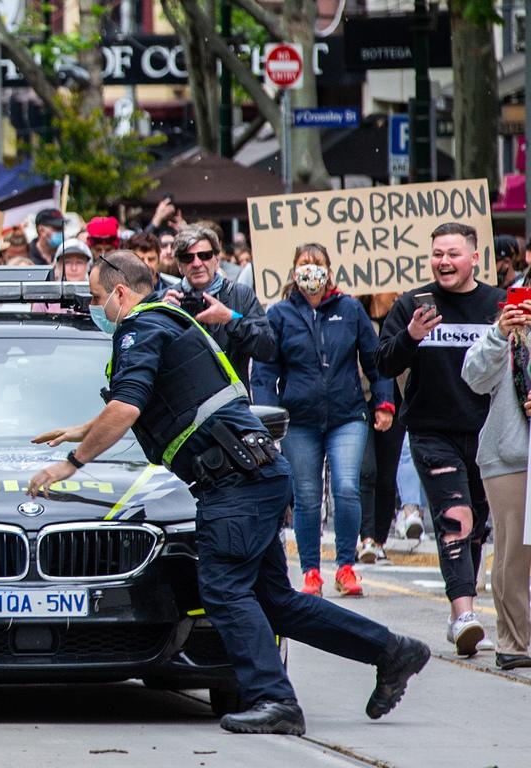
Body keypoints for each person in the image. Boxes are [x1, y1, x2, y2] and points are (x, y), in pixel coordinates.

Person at [26, 251, 428, 734]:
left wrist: (71, 463)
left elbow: (128, 407)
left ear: (119, 292)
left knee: (223, 591)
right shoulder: (168, 322)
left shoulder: (140, 327)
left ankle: (274, 699)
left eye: (95, 298)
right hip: (253, 476)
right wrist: (82, 428)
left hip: (234, 483)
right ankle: (392, 651)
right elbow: (153, 399)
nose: (96, 308)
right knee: (276, 602)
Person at [376, 222, 506, 656]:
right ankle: (466, 612)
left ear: (473, 257)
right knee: (456, 518)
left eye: (452, 253)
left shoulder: (497, 304)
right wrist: (411, 335)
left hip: (489, 432)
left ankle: (457, 619)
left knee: (477, 527)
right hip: (432, 430)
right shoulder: (415, 304)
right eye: (437, 254)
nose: (444, 261)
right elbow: (383, 363)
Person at [252, 244, 395, 597]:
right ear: (294, 271)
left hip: (347, 415)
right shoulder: (280, 315)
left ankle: (345, 567)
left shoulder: (350, 310)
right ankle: (312, 571)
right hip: (299, 421)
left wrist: (384, 402)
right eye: (304, 265)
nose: (310, 272)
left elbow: (376, 360)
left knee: (347, 487)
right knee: (307, 495)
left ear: (329, 271)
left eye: (317, 265)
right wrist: (268, 418)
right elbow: (265, 370)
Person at [461, 297, 531, 669]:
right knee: (515, 550)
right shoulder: (507, 335)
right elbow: (474, 377)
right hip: (509, 456)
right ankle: (513, 641)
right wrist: (500, 332)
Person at [161, 225, 275, 391]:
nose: (197, 263)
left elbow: (267, 349)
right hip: (184, 407)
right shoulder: (166, 299)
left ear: (217, 259)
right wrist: (162, 318)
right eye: (188, 258)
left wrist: (231, 318)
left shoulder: (240, 295)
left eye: (205, 255)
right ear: (179, 265)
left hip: (232, 406)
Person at [357, 293, 408, 563]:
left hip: (397, 400)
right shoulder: (354, 311)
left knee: (387, 474)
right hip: (360, 399)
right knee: (366, 470)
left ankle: (379, 538)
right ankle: (365, 537)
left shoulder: (405, 313)